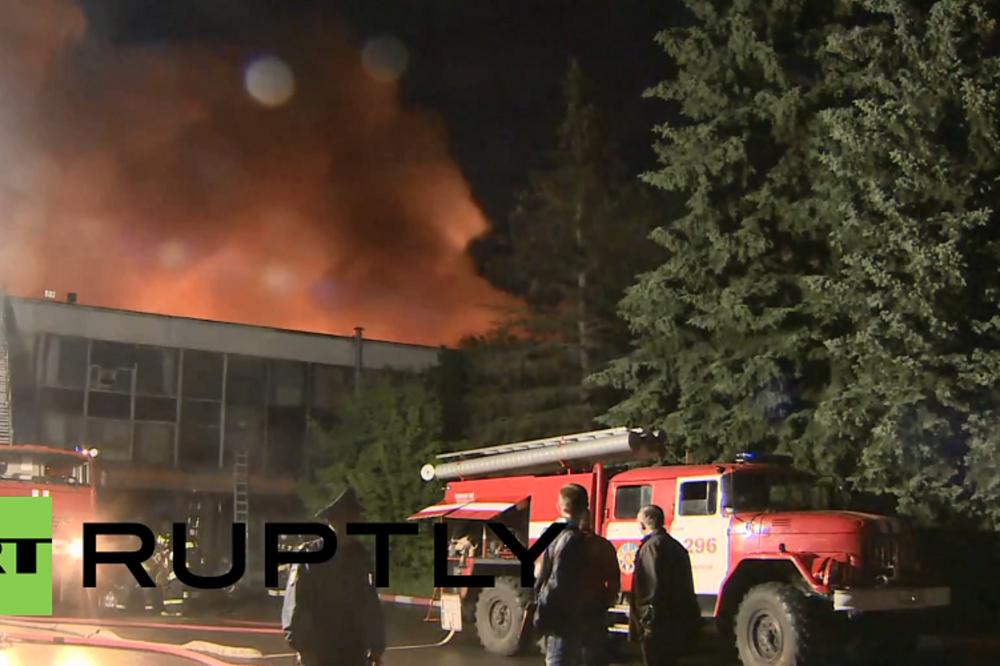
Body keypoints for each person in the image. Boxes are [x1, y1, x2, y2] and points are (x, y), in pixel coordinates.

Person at [281, 487, 385, 666]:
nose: (360, 521)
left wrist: (376, 647)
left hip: (354, 649)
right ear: (338, 520)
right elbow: (295, 605)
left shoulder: (360, 556)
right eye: (354, 517)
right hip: (320, 649)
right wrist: (302, 648)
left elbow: (369, 603)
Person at [534, 483, 599, 666]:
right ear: (585, 508)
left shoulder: (551, 533)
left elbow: (541, 573)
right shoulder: (573, 539)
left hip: (556, 615)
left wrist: (541, 613)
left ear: (559, 506)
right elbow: (559, 580)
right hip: (564, 618)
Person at [629, 505, 700, 666]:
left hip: (657, 621)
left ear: (642, 524)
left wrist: (647, 620)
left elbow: (650, 586)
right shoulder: (675, 546)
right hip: (674, 619)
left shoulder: (651, 547)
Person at [579, 509, 621, 666]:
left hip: (573, 606)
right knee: (594, 649)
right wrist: (608, 600)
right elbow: (613, 578)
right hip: (595, 604)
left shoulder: (566, 543)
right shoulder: (603, 545)